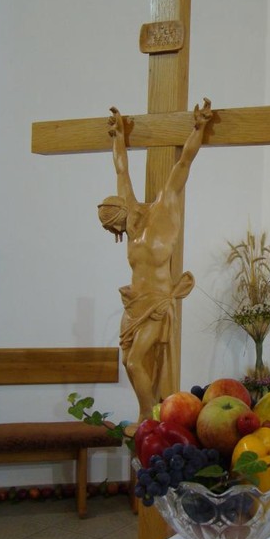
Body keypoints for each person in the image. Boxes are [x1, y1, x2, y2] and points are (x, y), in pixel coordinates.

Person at [98, 98, 213, 422]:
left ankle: (147, 416)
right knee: (129, 362)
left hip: (157, 305)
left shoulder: (163, 211)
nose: (117, 234)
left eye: (115, 227)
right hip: (134, 303)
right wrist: (118, 136)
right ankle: (149, 414)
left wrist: (198, 128)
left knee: (136, 361)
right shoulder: (129, 217)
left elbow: (183, 164)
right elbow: (121, 169)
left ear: (120, 215)